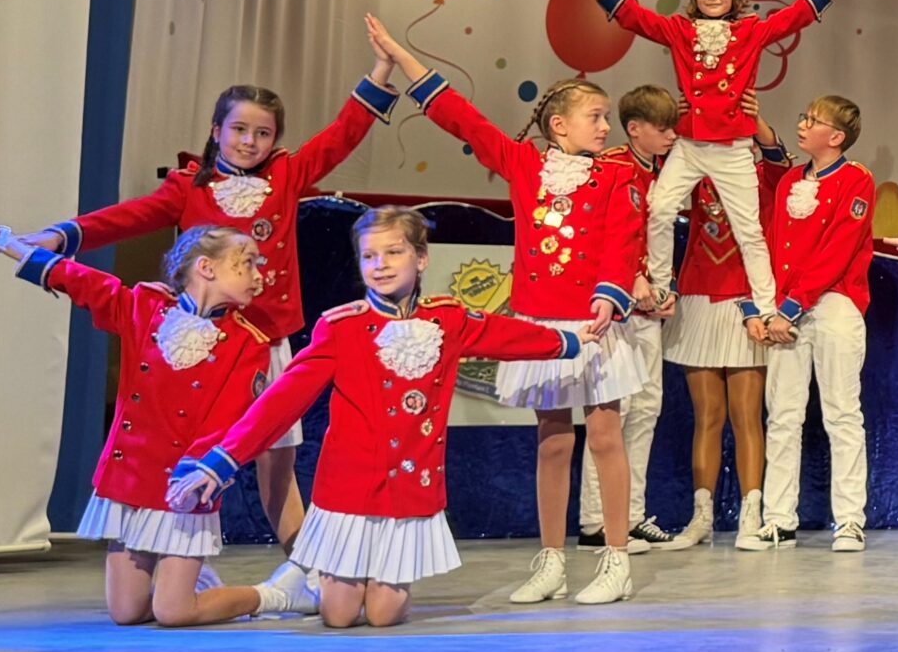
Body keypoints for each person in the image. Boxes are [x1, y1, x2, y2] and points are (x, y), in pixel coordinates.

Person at [27, 54, 399, 566]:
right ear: (216, 131)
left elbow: (341, 137)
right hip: (201, 352)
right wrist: (62, 236)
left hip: (264, 346)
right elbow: (127, 217)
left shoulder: (287, 176)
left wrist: (379, 73)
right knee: (179, 452)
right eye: (239, 129)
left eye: (263, 133)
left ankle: (310, 569)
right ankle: (177, 566)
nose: (249, 142)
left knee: (277, 466)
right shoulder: (189, 188)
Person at [168, 209, 599, 627]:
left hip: (408, 491)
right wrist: (224, 459)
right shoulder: (341, 327)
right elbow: (281, 401)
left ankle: (363, 583)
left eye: (393, 252)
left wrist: (570, 340)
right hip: (348, 491)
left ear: (421, 258)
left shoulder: (447, 319)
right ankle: (290, 590)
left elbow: (507, 335)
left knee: (383, 614)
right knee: (338, 616)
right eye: (369, 256)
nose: (381, 265)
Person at [373, 17, 647, 605]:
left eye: (606, 117)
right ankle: (551, 561)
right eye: (596, 116)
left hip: (593, 321)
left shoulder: (618, 174)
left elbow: (625, 238)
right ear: (559, 125)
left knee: (605, 435)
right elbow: (459, 117)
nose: (606, 126)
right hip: (541, 323)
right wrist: (401, 55)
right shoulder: (525, 164)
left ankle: (616, 560)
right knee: (552, 439)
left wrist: (610, 293)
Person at [0, 224, 301, 626]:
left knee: (174, 612)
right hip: (130, 479)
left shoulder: (249, 342)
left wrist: (200, 473)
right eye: (246, 264)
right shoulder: (145, 308)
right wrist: (11, 246)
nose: (259, 276)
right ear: (206, 268)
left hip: (182, 483)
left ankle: (275, 595)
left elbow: (227, 419)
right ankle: (194, 583)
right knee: (126, 613)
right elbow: (81, 282)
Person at [576, 0, 847, 321]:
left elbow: (796, 16)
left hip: (733, 148)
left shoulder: (750, 31)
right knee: (660, 208)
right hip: (689, 145)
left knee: (749, 230)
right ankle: (662, 285)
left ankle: (767, 308)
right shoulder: (680, 30)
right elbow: (633, 16)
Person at [749, 95, 877, 554]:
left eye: (812, 120)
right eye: (803, 117)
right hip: (787, 308)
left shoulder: (856, 180)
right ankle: (778, 519)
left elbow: (838, 249)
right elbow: (770, 242)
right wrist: (764, 308)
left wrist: (792, 305)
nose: (802, 125)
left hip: (833, 305)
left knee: (841, 413)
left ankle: (850, 520)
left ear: (836, 136)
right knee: (783, 413)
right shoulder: (788, 181)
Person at [658, 104, 780, 550]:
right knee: (707, 415)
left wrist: (755, 119)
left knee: (747, 414)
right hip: (698, 295)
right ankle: (701, 517)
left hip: (746, 300)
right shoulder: (694, 169)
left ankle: (752, 514)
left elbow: (778, 159)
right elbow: (662, 169)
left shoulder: (762, 175)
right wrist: (687, 119)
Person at [581, 84, 682, 551]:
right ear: (635, 128)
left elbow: (659, 238)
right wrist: (634, 279)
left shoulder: (663, 171)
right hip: (613, 307)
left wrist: (665, 290)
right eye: (663, 128)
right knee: (610, 414)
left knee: (646, 409)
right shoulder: (610, 167)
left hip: (647, 309)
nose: (671, 136)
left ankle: (631, 514)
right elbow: (604, 235)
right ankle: (596, 521)